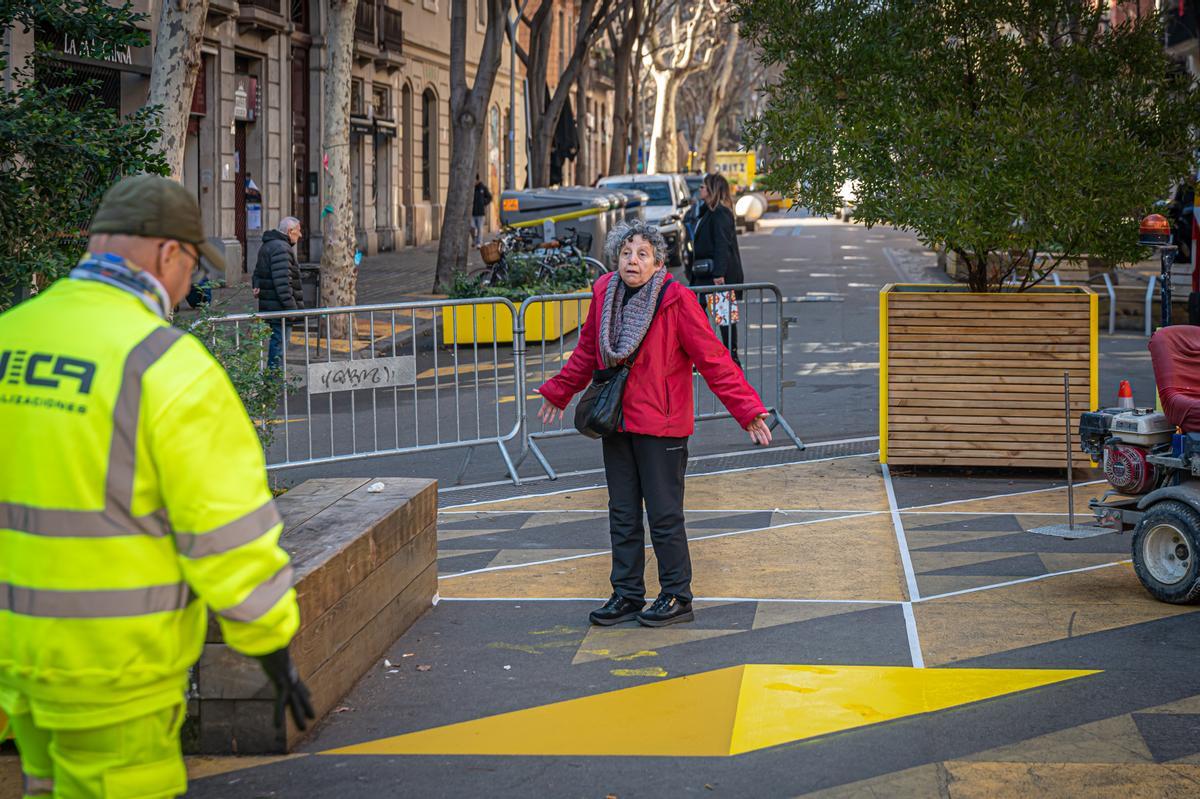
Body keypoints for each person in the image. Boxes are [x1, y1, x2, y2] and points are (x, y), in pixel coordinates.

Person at [0, 174, 313, 798]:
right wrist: (272, 643)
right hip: (116, 673)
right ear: (168, 253)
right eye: (192, 267)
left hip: (16, 659)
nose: (188, 286)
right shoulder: (167, 367)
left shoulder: (12, 335)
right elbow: (232, 537)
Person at [536, 220, 772, 628]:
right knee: (623, 515)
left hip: (662, 426)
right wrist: (559, 391)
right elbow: (588, 351)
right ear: (616, 257)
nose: (633, 260)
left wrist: (747, 410)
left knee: (664, 517)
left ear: (658, 261)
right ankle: (627, 593)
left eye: (643, 254)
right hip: (618, 422)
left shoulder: (675, 299)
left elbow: (714, 360)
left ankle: (677, 596)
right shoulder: (604, 293)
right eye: (627, 253)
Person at [690, 172, 745, 365]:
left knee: (724, 319)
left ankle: (732, 358)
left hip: (715, 276)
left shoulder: (720, 213)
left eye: (703, 187)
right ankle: (707, 358)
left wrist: (719, 273)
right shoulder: (707, 212)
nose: (700, 190)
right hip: (704, 275)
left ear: (712, 190)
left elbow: (723, 244)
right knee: (697, 318)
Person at [253, 216, 304, 369]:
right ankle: (274, 383)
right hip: (280, 307)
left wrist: (256, 285)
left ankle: (274, 380)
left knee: (277, 343)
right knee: (279, 345)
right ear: (290, 231)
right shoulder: (282, 248)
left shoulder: (268, 245)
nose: (300, 235)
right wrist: (292, 310)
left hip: (272, 304)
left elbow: (258, 272)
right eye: (298, 231)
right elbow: (283, 283)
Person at [472, 176, 492, 247]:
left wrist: (484, 202)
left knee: (480, 229)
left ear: (477, 180)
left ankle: (479, 243)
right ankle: (474, 240)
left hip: (481, 213)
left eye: (474, 180)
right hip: (472, 213)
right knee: (472, 227)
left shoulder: (483, 188)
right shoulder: (471, 188)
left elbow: (489, 197)